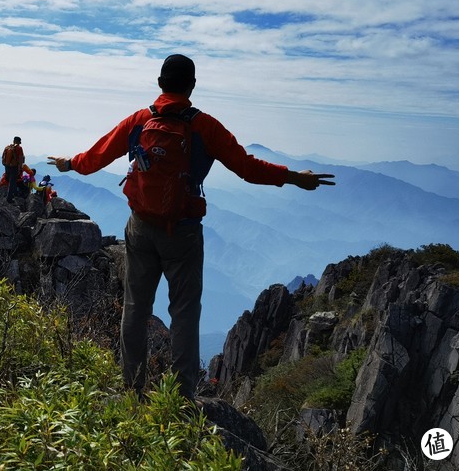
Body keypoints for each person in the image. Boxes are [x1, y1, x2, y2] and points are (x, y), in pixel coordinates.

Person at [47, 54, 335, 399]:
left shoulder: (139, 120)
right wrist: (291, 178)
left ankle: (131, 387)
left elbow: (95, 158)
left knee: (136, 307)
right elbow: (247, 167)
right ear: (193, 86)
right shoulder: (204, 126)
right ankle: (181, 397)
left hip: (140, 227)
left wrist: (68, 164)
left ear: (159, 84)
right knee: (184, 312)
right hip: (182, 232)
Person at [1, 136, 25, 203]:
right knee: (12, 182)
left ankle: (14, 194)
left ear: (13, 141)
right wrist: (20, 168)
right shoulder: (19, 148)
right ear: (19, 142)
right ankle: (9, 199)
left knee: (10, 181)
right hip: (14, 167)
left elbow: (3, 156)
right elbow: (20, 158)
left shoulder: (7, 147)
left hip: (7, 166)